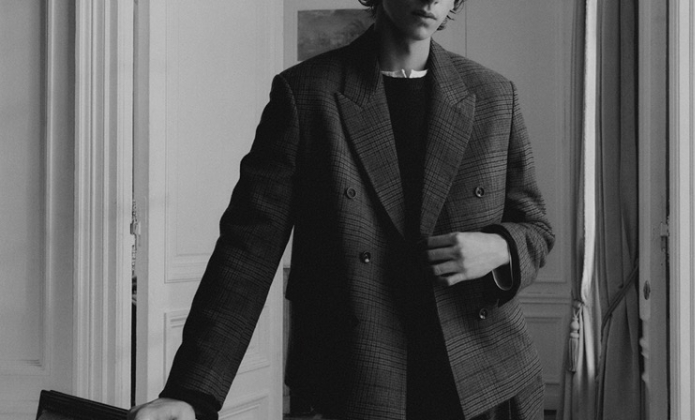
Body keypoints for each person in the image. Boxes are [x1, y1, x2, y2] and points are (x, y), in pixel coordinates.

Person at [129, 0, 554, 419]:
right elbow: (247, 251)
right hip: (355, 376)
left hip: (485, 375)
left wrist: (500, 247)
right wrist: (191, 392)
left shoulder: (494, 94)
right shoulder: (306, 93)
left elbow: (536, 227)